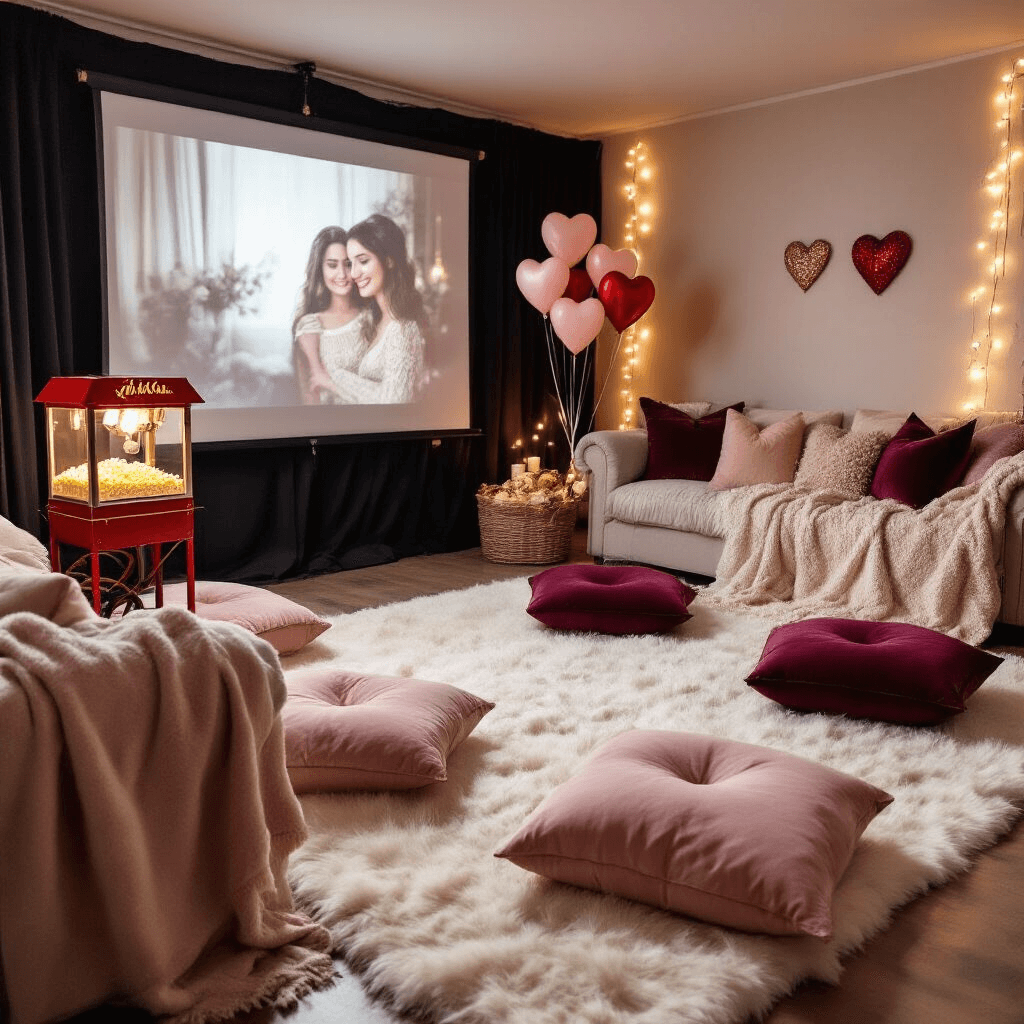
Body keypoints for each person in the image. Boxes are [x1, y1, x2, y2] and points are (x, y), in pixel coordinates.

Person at [322, 214, 428, 404]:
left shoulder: (402, 328)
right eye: (351, 263)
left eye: (363, 261)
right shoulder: (375, 320)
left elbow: (394, 402)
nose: (353, 273)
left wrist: (335, 377)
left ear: (389, 260)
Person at [292, 226, 367, 404]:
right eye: (332, 265)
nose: (342, 274)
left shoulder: (371, 318)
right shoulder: (309, 325)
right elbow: (309, 395)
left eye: (348, 264)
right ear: (321, 270)